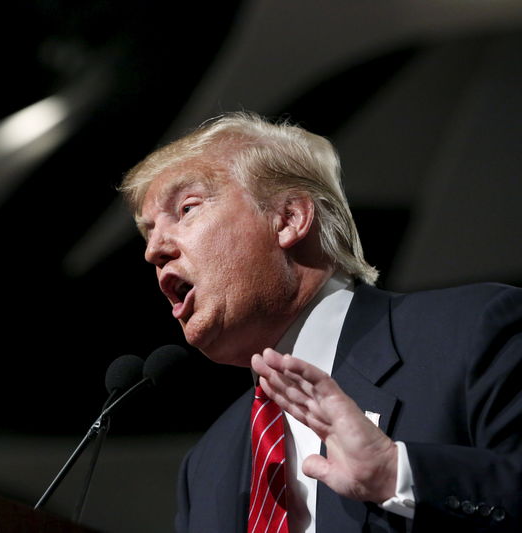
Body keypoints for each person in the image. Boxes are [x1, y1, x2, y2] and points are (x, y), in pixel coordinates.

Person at [118, 111, 522, 532]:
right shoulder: (204, 467)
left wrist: (396, 474)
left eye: (186, 209)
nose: (154, 251)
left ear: (290, 218)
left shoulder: (472, 331)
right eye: (148, 235)